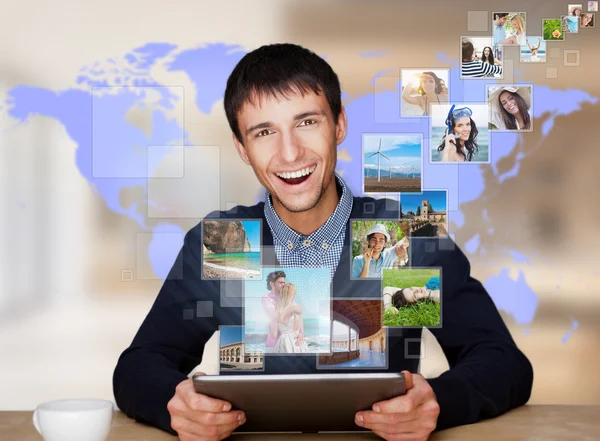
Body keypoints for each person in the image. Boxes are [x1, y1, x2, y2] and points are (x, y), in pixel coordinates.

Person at [113, 43, 533, 441]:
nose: (290, 153)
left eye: (307, 122)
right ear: (242, 148)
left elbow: (503, 362)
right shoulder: (227, 240)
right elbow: (138, 367)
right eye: (263, 133)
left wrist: (440, 402)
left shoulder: (407, 231)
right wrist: (175, 403)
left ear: (340, 125)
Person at [261, 270, 303, 351]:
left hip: (291, 339)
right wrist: (291, 308)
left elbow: (298, 313)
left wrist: (301, 333)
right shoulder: (266, 298)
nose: (283, 285)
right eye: (280, 282)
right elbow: (275, 314)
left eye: (284, 282)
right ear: (272, 283)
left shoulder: (287, 296)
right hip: (275, 339)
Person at [273, 283, 309, 353]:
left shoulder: (277, 310)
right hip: (295, 340)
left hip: (282, 341)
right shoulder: (295, 308)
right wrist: (301, 334)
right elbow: (300, 311)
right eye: (294, 294)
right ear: (291, 295)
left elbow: (274, 332)